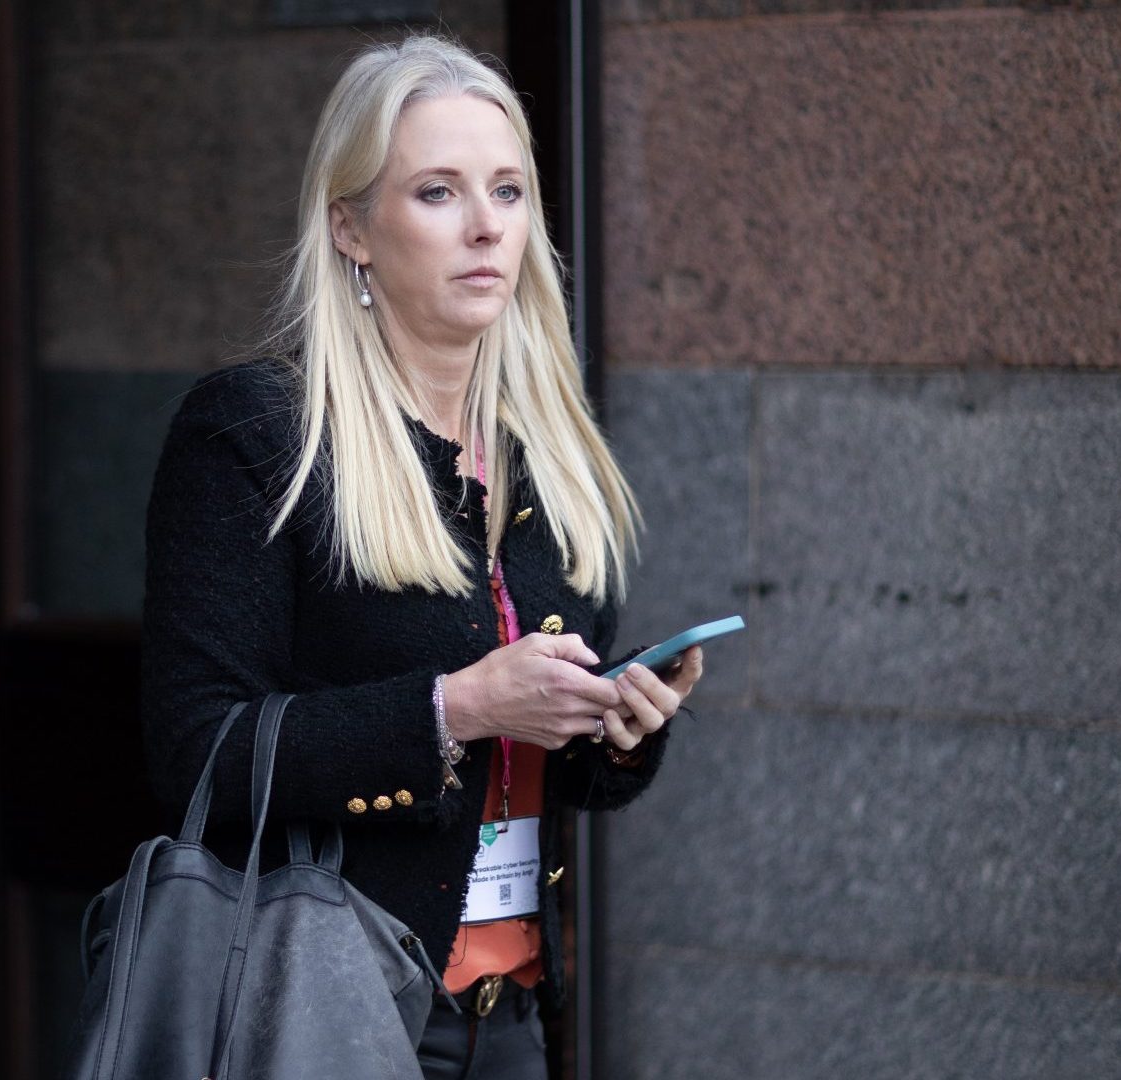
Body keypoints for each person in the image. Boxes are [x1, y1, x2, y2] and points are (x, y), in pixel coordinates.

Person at [140, 33, 703, 1080]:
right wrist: (455, 707)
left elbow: (543, 766)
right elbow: (197, 753)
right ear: (351, 225)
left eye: (508, 190)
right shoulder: (260, 435)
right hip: (326, 1007)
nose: (488, 226)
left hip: (515, 1018)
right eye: (439, 193)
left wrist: (614, 728)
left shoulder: (550, 455)